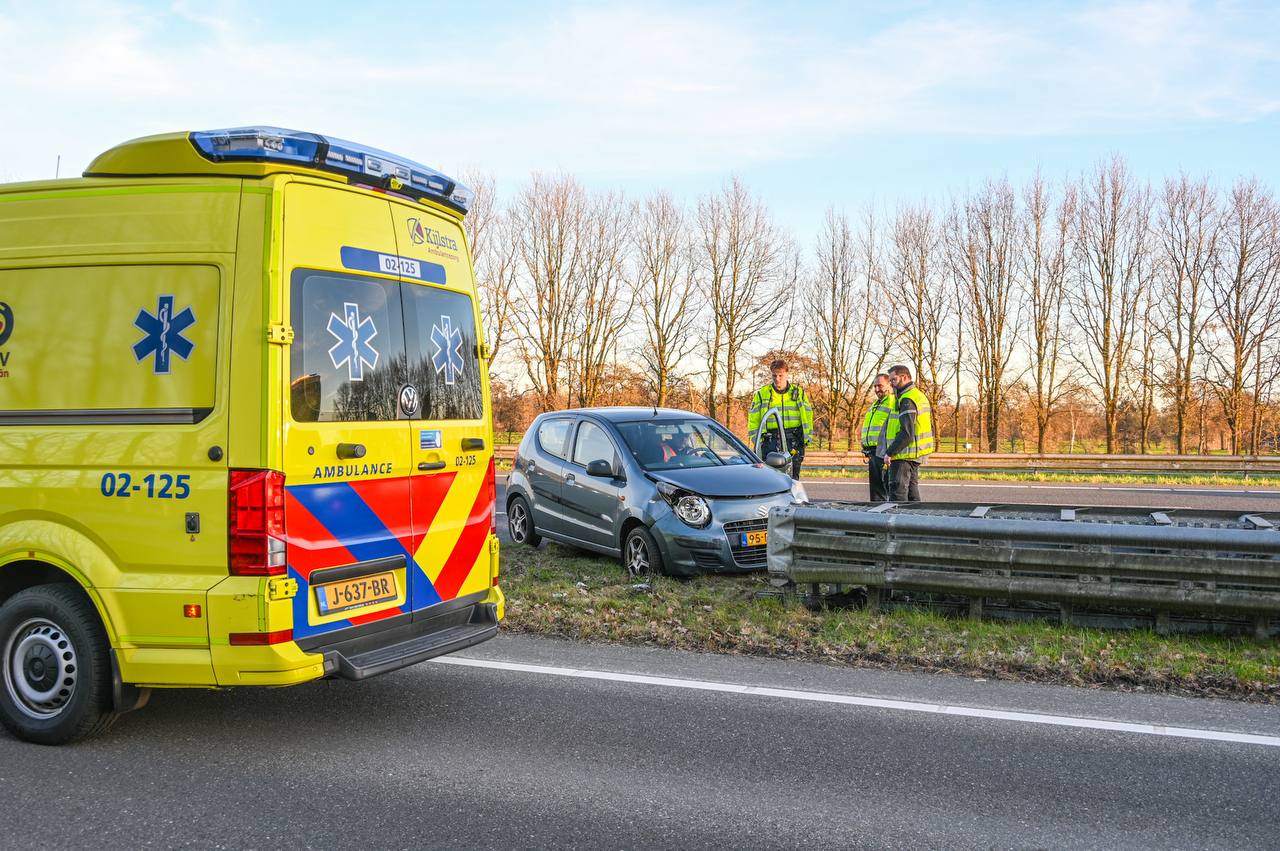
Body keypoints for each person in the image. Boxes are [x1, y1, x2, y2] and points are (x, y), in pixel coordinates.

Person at [746, 359, 814, 479]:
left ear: (787, 374)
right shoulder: (762, 394)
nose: (777, 379)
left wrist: (806, 438)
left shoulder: (799, 393)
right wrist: (757, 441)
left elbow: (808, 416)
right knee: (771, 478)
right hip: (771, 440)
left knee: (793, 478)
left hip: (794, 440)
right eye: (774, 375)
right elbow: (753, 419)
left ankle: (792, 497)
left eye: (780, 375)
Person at [883, 364, 935, 502]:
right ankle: (916, 521)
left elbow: (907, 433)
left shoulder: (907, 399)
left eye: (894, 380)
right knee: (912, 494)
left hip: (904, 455)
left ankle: (897, 522)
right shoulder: (916, 395)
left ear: (904, 377)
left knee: (898, 493)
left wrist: (890, 452)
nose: (892, 384)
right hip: (913, 454)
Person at [859, 373, 894, 502]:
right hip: (872, 453)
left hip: (884, 452)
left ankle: (889, 518)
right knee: (876, 492)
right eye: (875, 386)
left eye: (880, 385)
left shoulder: (892, 402)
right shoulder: (875, 405)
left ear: (889, 385)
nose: (877, 389)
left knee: (887, 489)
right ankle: (877, 519)